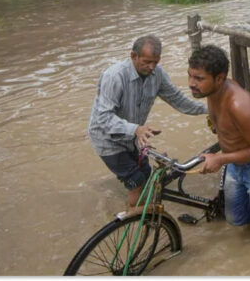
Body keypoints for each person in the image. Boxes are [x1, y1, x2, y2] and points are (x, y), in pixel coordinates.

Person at [88, 35, 207, 212]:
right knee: (136, 181)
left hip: (134, 137)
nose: (151, 67)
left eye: (155, 62)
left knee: (146, 174)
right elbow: (103, 119)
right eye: (147, 62)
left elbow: (178, 100)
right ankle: (135, 220)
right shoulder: (114, 76)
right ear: (133, 56)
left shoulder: (157, 74)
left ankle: (138, 212)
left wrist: (208, 110)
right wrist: (136, 129)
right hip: (107, 139)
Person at [187, 45, 250, 243]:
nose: (191, 84)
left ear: (219, 78)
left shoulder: (239, 105)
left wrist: (220, 158)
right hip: (235, 164)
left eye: (198, 79)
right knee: (235, 218)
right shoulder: (212, 91)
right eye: (190, 76)